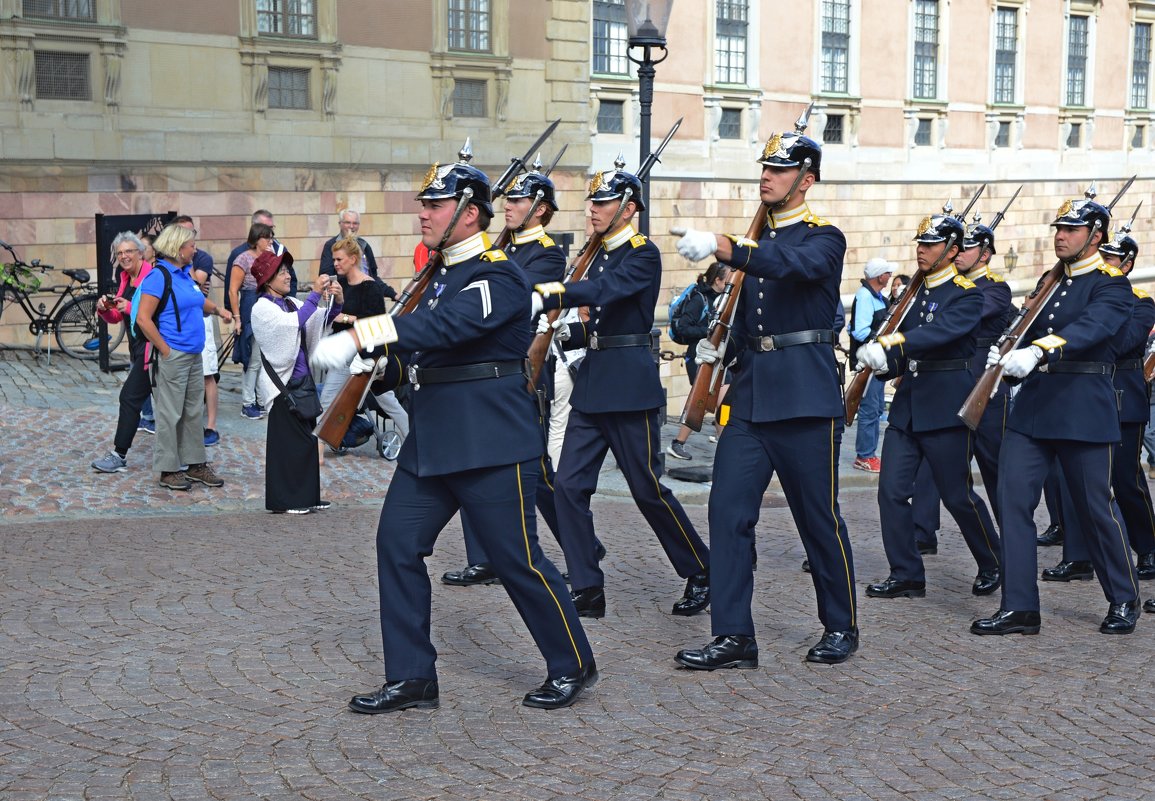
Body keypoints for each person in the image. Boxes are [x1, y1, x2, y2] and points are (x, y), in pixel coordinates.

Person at [310, 149, 596, 712]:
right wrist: (376, 368)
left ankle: (572, 662)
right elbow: (422, 355)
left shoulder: (498, 274)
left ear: (469, 213)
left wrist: (365, 334)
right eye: (425, 203)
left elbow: (447, 327)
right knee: (396, 544)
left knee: (518, 560)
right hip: (434, 441)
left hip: (489, 441)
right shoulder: (437, 276)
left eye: (436, 204)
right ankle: (413, 675)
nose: (424, 212)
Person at [670, 113, 858, 666]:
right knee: (727, 513)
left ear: (807, 178)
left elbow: (791, 265)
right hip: (750, 397)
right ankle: (734, 635)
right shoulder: (756, 241)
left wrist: (727, 247)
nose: (767, 176)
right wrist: (716, 349)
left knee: (817, 518)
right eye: (766, 167)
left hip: (804, 396)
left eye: (780, 169)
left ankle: (841, 626)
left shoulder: (823, 238)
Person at [533, 159, 711, 620]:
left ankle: (701, 569)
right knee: (568, 486)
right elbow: (592, 320)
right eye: (591, 200)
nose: (592, 208)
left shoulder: (640, 252)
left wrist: (558, 292)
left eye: (603, 201)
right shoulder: (598, 252)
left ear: (628, 208)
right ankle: (588, 585)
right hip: (593, 382)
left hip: (629, 385)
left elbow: (609, 291)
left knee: (647, 488)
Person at [972, 187, 1141, 636]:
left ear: (1094, 234)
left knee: (1093, 507)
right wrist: (1006, 355)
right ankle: (1020, 606)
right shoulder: (1052, 283)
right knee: (1011, 502)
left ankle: (1124, 597)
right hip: (1032, 409)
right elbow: (1028, 329)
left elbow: (1096, 326)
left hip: (1082, 407)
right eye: (1059, 229)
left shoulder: (1111, 283)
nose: (1061, 236)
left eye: (1071, 229)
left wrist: (1040, 351)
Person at [440, 165, 594, 587]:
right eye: (507, 199)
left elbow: (509, 299)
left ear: (540, 210)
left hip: (522, 367)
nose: (508, 206)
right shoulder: (498, 249)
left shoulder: (545, 253)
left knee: (538, 472)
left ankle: (581, 545)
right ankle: (485, 557)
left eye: (519, 201)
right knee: (475, 461)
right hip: (482, 368)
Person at [857, 207, 1002, 604]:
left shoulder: (967, 295)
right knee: (890, 492)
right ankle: (906, 572)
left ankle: (994, 560)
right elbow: (903, 343)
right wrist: (880, 359)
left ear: (952, 249)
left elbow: (941, 333)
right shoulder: (912, 295)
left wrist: (892, 345)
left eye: (931, 243)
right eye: (920, 242)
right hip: (908, 406)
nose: (922, 249)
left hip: (944, 405)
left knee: (957, 496)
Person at [1041, 222, 1155, 582]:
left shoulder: (1140, 302)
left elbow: (1125, 342)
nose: (1103, 261)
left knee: (1125, 479)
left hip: (1121, 395)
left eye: (1112, 257)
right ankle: (1078, 556)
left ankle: (1148, 548)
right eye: (1102, 255)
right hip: (1080, 396)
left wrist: (1092, 327)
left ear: (1127, 264)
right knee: (1072, 478)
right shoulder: (1076, 293)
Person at [133, 223, 233, 491]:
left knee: (191, 411)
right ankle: (167, 469)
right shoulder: (158, 277)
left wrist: (219, 310)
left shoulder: (185, 275)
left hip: (192, 354)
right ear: (178, 248)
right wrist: (165, 350)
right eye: (191, 245)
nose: (194, 249)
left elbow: (198, 301)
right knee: (170, 412)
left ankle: (195, 464)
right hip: (175, 355)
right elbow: (143, 319)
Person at [251, 250, 340, 514]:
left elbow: (317, 319)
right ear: (268, 279)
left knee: (307, 442)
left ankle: (308, 496)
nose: (288, 275)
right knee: (291, 445)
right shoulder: (262, 308)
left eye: (288, 271)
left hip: (300, 382)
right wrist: (313, 294)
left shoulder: (290, 302)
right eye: (282, 272)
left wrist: (336, 302)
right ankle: (289, 500)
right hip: (282, 386)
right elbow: (291, 325)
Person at [316, 235, 389, 462]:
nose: (335, 263)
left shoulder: (372, 287)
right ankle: (316, 454)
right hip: (344, 352)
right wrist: (335, 302)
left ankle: (409, 434)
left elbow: (377, 325)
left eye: (339, 259)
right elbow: (333, 318)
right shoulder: (341, 284)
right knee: (327, 399)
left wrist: (344, 315)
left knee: (389, 401)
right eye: (334, 259)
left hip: (365, 355)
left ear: (353, 259)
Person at [90, 232, 154, 473]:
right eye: (120, 253)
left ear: (140, 253)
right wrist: (104, 309)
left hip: (152, 348)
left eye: (129, 251)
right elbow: (118, 316)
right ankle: (183, 456)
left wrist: (130, 307)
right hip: (137, 348)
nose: (124, 256)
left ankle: (118, 455)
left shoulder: (150, 276)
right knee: (163, 403)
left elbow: (154, 314)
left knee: (129, 397)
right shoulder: (126, 276)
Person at [666, 262, 729, 461]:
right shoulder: (698, 299)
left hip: (716, 357)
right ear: (717, 280)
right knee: (703, 400)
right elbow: (684, 328)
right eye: (727, 280)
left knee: (719, 400)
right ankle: (678, 443)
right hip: (698, 356)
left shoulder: (722, 298)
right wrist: (711, 333)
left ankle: (724, 441)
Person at [174, 214, 227, 448]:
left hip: (200, 319)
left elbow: (197, 287)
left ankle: (211, 425)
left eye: (191, 232)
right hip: (179, 324)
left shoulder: (201, 257)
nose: (189, 237)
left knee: (207, 374)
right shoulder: (169, 261)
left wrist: (189, 265)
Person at [848, 257, 894, 473]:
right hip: (869, 360)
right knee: (869, 409)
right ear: (879, 276)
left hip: (875, 359)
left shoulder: (875, 296)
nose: (890, 276)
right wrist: (881, 340)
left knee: (874, 408)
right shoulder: (865, 296)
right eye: (887, 272)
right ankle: (865, 455)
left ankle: (869, 453)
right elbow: (859, 330)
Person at [229, 222, 276, 419]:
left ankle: (258, 398)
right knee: (252, 358)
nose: (270, 241)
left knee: (263, 358)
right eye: (267, 237)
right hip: (250, 307)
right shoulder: (243, 259)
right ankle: (248, 402)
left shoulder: (270, 258)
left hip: (266, 307)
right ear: (257, 239)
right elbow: (233, 290)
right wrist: (237, 318)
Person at [225, 209, 297, 306]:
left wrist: (290, 303)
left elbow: (291, 278)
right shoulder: (239, 253)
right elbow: (230, 287)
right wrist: (232, 312)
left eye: (272, 227)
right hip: (249, 307)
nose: (270, 231)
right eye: (266, 227)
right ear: (255, 229)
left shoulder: (280, 250)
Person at [318, 209, 380, 279]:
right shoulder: (331, 245)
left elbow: (373, 271)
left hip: (367, 287)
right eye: (347, 222)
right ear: (340, 224)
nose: (351, 226)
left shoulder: (364, 245)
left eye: (355, 223)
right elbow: (326, 275)